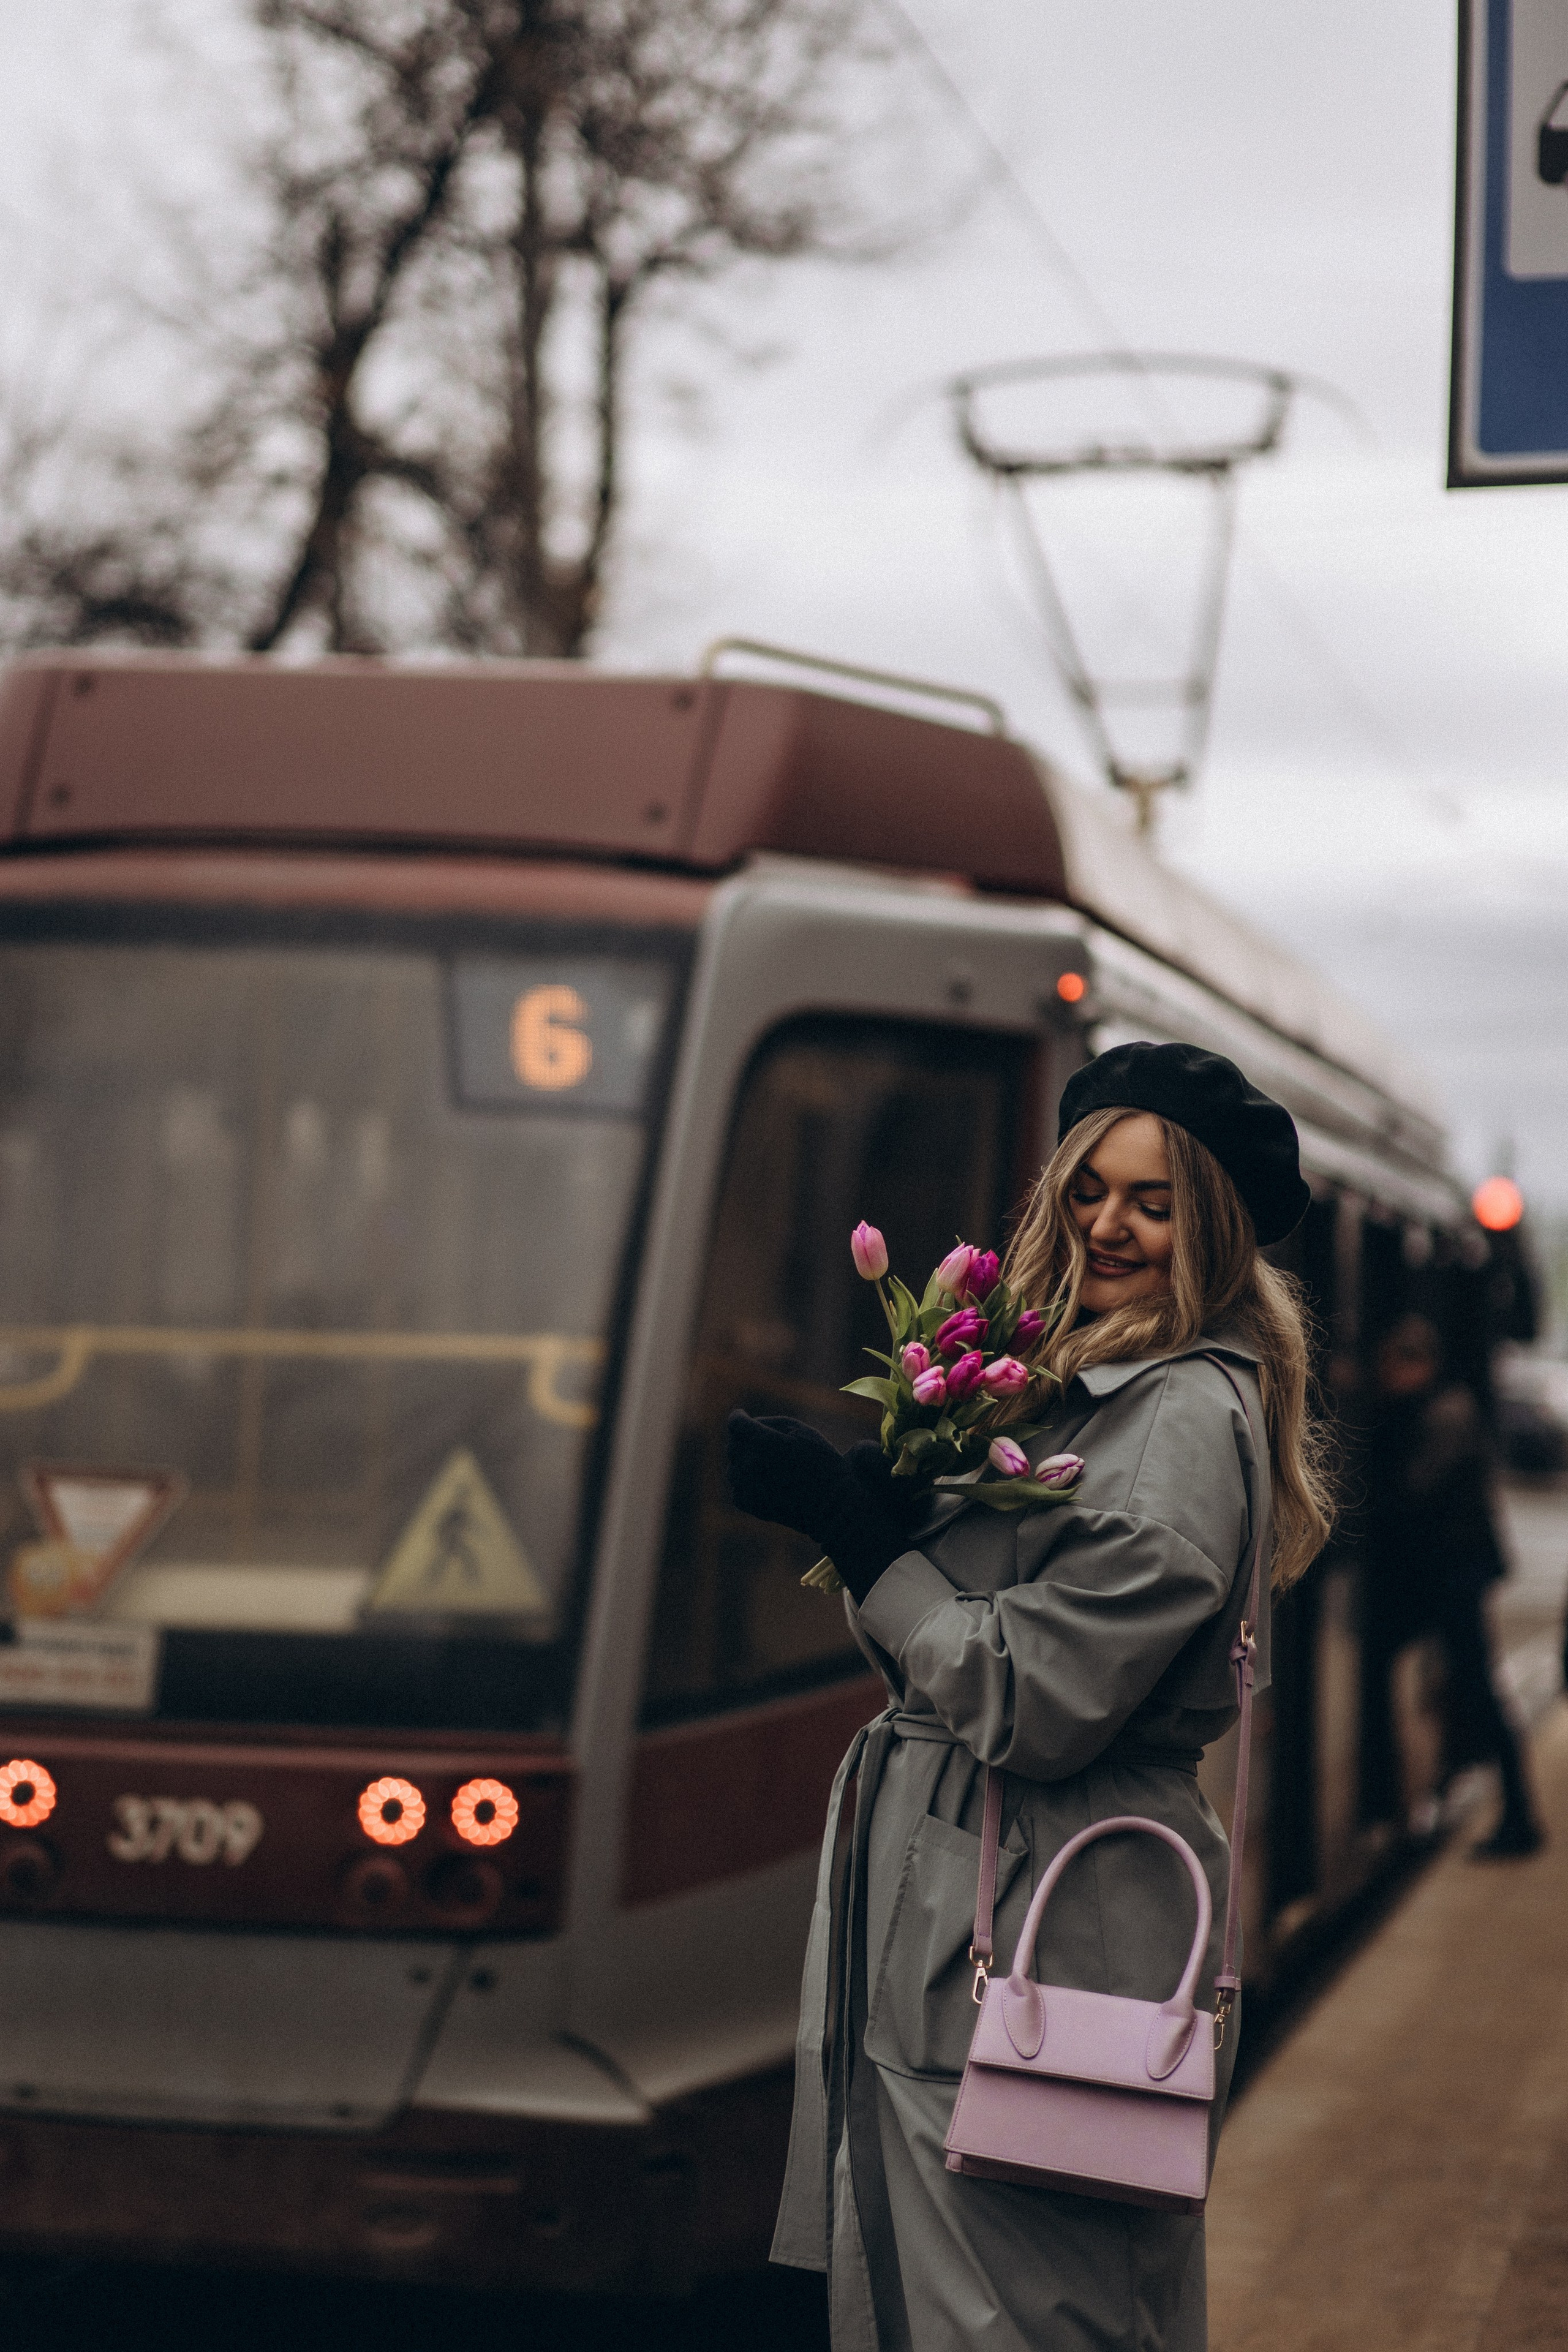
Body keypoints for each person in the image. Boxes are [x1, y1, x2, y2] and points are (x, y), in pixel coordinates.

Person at [727, 1040, 1332, 2352]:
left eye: (1155, 1202)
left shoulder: (1173, 1422)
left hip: (1030, 1922)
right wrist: (896, 1525)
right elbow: (935, 1643)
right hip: (968, 1916)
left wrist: (866, 1539)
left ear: (1211, 1228)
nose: (1108, 1225)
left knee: (1018, 2317)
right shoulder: (1071, 1386)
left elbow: (1032, 1700)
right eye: (1088, 1192)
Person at [1362, 1313, 1542, 1860]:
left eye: (1394, 1366)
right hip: (1457, 1572)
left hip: (1455, 1575)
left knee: (1479, 1689)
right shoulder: (1452, 1407)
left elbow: (1418, 1492)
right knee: (1472, 1686)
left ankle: (1519, 1815)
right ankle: (1507, 1808)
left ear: (1418, 1365)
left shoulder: (1443, 1414)